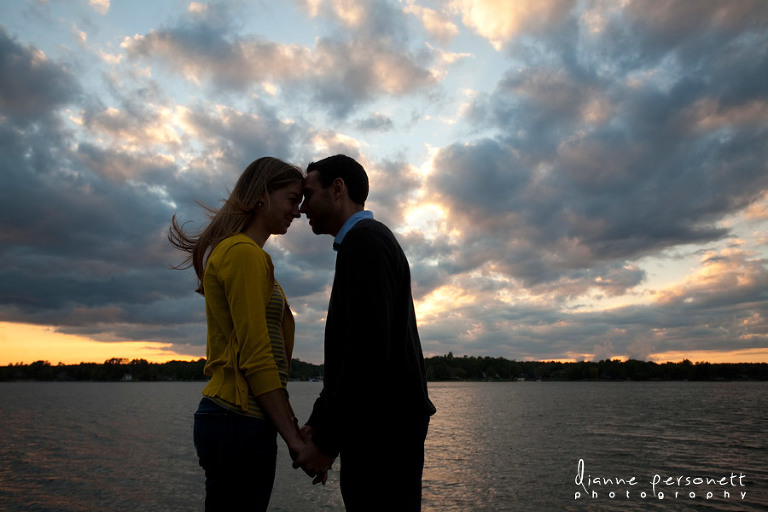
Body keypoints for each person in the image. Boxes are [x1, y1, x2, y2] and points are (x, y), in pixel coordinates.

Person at [294, 154, 437, 511]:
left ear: (337, 188)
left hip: (383, 434)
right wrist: (318, 421)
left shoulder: (365, 242)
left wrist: (325, 443)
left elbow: (366, 354)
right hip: (388, 428)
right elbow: (354, 351)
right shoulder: (369, 240)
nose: (301, 208)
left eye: (308, 194)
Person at [168, 156, 309, 511]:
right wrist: (293, 440)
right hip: (236, 420)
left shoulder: (246, 254)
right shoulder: (243, 254)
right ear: (262, 194)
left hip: (239, 419)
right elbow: (256, 356)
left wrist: (290, 427)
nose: (298, 212)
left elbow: (269, 357)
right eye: (292, 200)